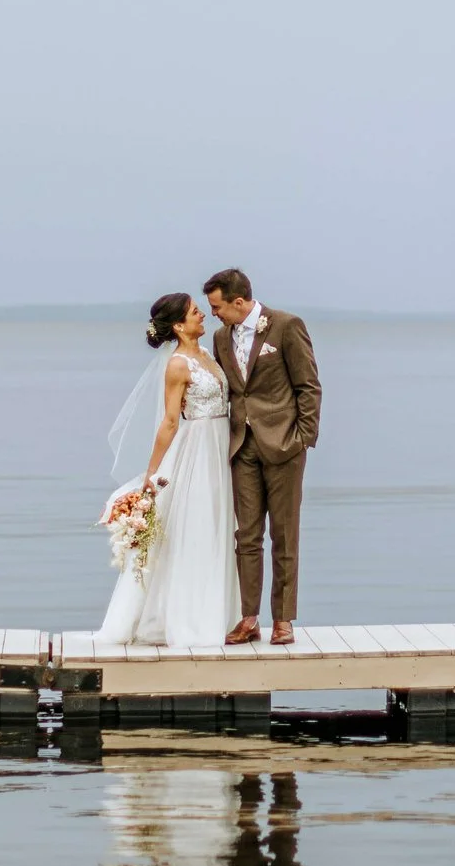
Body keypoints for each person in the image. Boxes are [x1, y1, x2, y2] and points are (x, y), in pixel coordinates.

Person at [97, 293, 243, 648]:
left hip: (219, 447)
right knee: (194, 528)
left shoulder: (206, 354)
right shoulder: (178, 365)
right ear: (179, 325)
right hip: (196, 450)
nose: (202, 315)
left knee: (218, 526)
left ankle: (220, 614)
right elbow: (169, 421)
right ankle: (188, 619)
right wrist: (153, 472)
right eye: (195, 311)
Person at [201, 269, 320, 646]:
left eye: (218, 307)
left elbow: (308, 386)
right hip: (242, 448)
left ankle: (283, 620)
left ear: (239, 302)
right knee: (246, 536)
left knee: (284, 536)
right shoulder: (221, 338)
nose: (214, 314)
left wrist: (303, 438)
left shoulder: (286, 325)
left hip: (285, 444)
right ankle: (249, 617)